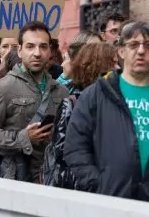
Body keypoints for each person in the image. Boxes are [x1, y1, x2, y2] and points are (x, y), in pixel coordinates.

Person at [64, 21, 149, 204]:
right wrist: (99, 184)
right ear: (121, 51)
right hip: (111, 201)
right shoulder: (97, 95)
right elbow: (75, 147)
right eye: (133, 45)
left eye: (148, 45)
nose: (140, 51)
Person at [0, 21, 70, 182]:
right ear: (20, 51)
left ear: (50, 51)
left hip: (51, 181)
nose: (37, 53)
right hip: (13, 181)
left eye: (43, 46)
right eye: (30, 46)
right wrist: (22, 138)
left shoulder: (61, 91)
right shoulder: (5, 87)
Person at [43, 42, 118, 188]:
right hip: (81, 188)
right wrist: (95, 181)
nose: (118, 68)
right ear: (99, 67)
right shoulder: (72, 104)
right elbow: (64, 154)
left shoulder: (118, 100)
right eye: (114, 63)